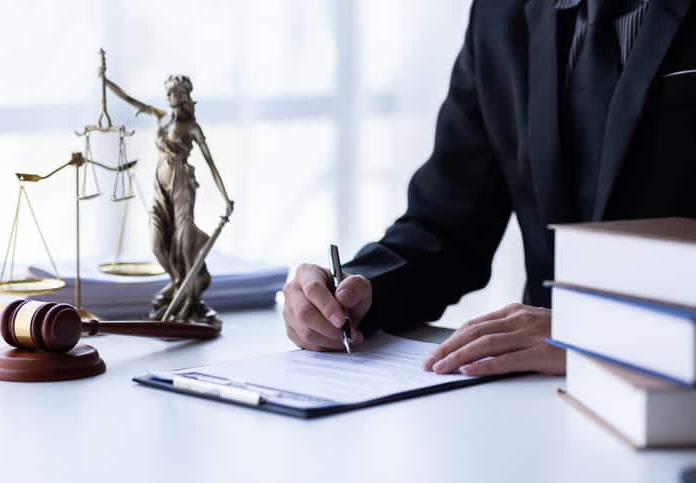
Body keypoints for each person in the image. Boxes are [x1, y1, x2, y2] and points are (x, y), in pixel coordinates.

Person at [284, 0, 696, 376]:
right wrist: (358, 292)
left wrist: (608, 337)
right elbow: (447, 228)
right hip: (535, 399)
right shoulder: (500, 14)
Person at [104, 74, 235, 324]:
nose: (170, 96)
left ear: (184, 96)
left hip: (182, 186)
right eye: (169, 92)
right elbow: (129, 99)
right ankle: (178, 282)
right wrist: (106, 80)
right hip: (160, 188)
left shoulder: (192, 128)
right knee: (156, 244)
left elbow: (211, 164)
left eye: (175, 92)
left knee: (184, 243)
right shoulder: (159, 116)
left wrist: (226, 198)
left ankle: (188, 301)